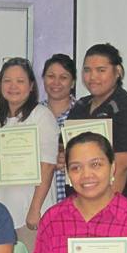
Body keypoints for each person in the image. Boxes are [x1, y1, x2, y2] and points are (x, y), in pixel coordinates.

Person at [0, 58, 58, 252]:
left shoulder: (41, 115)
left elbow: (48, 165)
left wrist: (35, 209)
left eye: (20, 81)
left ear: (31, 86)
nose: (13, 86)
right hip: (5, 212)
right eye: (7, 80)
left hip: (31, 214)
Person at [67, 43, 127, 203]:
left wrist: (102, 208)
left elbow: (122, 167)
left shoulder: (126, 107)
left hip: (115, 205)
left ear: (118, 72)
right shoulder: (80, 106)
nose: (92, 77)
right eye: (87, 70)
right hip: (80, 201)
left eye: (101, 70)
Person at [41, 53, 77, 202]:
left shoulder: (83, 114)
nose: (56, 82)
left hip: (75, 199)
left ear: (73, 82)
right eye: (51, 76)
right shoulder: (31, 116)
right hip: (39, 201)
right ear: (43, 79)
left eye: (63, 77)